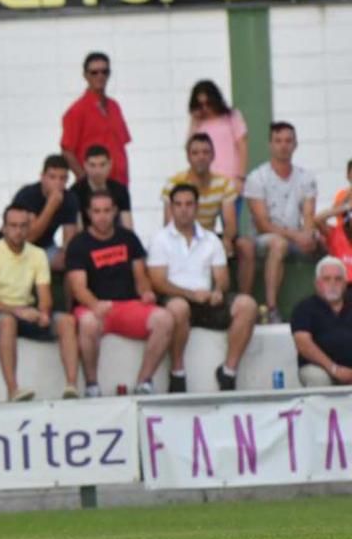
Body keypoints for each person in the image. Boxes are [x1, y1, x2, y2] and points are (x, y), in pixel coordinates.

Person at [148, 184, 258, 393]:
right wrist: (191, 294)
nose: (183, 209)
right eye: (178, 204)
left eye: (189, 204)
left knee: (248, 305)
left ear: (196, 207)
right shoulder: (159, 239)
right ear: (171, 208)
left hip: (207, 300)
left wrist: (217, 291)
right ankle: (177, 373)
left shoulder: (211, 240)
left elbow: (222, 278)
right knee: (178, 308)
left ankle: (228, 372)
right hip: (175, 298)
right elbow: (158, 282)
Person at [67, 191, 174, 396]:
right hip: (95, 307)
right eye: (97, 211)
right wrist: (95, 305)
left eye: (107, 210)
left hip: (128, 305)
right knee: (88, 322)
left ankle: (144, 382)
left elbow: (140, 275)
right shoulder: (78, 244)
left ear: (115, 211)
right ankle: (92, 385)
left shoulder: (128, 238)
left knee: (165, 319)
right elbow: (78, 287)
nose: (102, 216)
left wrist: (146, 292)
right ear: (88, 213)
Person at [0, 206, 80, 402]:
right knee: (7, 322)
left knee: (66, 321)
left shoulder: (37, 254)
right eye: (13, 226)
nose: (18, 231)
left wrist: (44, 313)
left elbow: (45, 295)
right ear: (4, 228)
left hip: (25, 313)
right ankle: (13, 390)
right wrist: (18, 312)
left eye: (23, 226)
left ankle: (71, 386)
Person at [161, 133, 255, 295]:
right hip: (183, 237)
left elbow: (231, 223)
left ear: (213, 156)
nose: (201, 157)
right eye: (195, 153)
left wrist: (225, 239)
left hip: (210, 237)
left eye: (205, 152)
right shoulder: (174, 183)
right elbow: (169, 223)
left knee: (246, 246)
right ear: (188, 157)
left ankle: (243, 297)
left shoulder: (223, 183)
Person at [244, 122, 319, 323]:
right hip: (264, 239)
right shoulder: (256, 178)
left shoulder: (306, 177)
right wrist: (298, 236)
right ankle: (271, 308)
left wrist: (309, 234)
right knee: (279, 243)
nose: (283, 145)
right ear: (270, 144)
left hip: (297, 237)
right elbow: (262, 224)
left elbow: (309, 215)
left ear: (295, 145)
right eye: (278, 141)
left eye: (288, 141)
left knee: (326, 241)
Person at [61, 52, 132, 186]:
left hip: (120, 184)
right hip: (95, 190)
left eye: (104, 72)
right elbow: (67, 151)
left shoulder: (114, 106)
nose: (100, 76)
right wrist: (84, 181)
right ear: (85, 75)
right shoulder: (76, 111)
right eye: (94, 72)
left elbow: (121, 144)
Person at [11, 155, 80, 271]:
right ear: (42, 177)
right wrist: (51, 205)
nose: (57, 183)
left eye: (62, 178)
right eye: (52, 177)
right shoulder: (27, 195)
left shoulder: (70, 199)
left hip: (46, 247)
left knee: (73, 260)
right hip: (16, 247)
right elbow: (29, 236)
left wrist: (66, 254)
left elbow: (69, 240)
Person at [292, 257, 352, 387]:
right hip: (320, 368)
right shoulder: (304, 308)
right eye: (327, 279)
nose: (333, 283)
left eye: (338, 279)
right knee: (318, 379)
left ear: (345, 284)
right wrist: (334, 369)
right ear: (317, 284)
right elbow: (303, 344)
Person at [187, 80, 248, 201]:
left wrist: (240, 177)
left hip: (230, 181)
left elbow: (242, 146)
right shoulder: (198, 122)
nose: (205, 108)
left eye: (208, 103)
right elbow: (190, 149)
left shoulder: (232, 116)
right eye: (200, 105)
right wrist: (193, 122)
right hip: (205, 183)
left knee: (231, 219)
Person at [70, 145, 132, 230]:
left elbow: (128, 227)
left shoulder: (120, 190)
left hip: (115, 239)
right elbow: (77, 230)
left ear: (110, 164)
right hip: (86, 240)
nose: (97, 171)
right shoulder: (75, 191)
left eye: (102, 165)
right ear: (85, 165)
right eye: (92, 165)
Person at [314, 159, 352, 270]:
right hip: (342, 232)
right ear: (348, 175)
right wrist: (347, 206)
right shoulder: (343, 194)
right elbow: (319, 218)